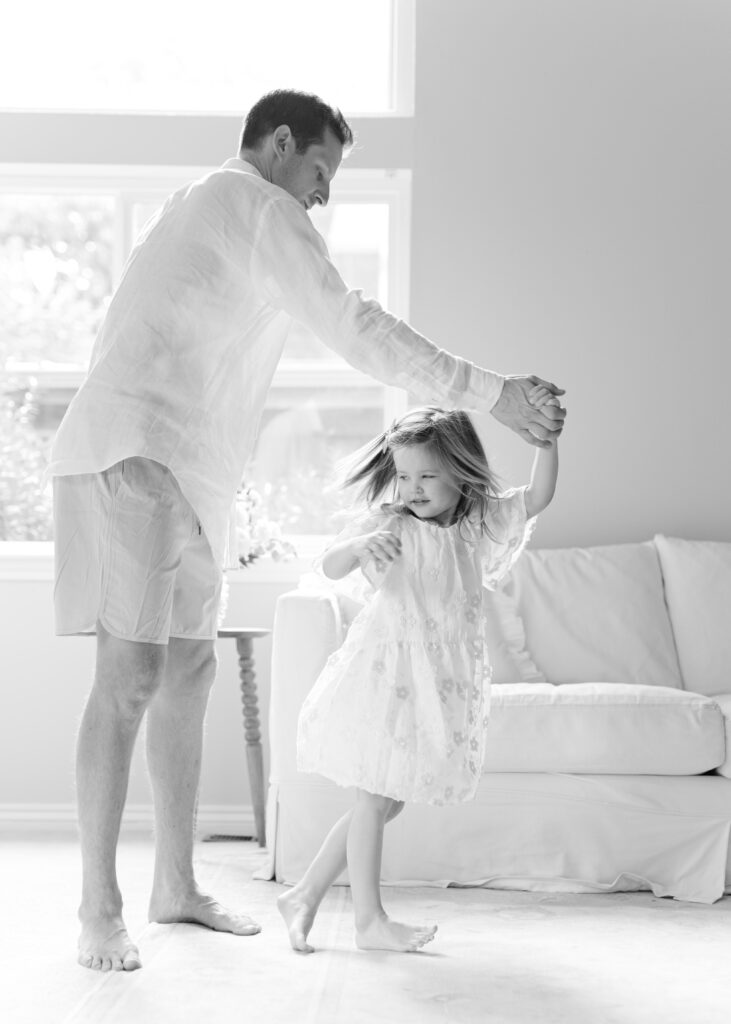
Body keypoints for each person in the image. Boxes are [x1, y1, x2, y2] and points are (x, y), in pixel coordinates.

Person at [48, 88, 565, 973]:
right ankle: (100, 906)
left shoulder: (217, 210)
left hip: (191, 470)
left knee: (190, 668)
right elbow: (355, 326)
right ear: (281, 144)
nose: (323, 192)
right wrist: (494, 397)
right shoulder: (251, 202)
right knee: (129, 674)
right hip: (134, 451)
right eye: (321, 169)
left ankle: (177, 883)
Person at [280, 401, 560, 953]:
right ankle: (369, 922)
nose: (413, 487)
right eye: (404, 475)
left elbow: (537, 498)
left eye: (427, 475)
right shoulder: (391, 524)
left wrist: (547, 444)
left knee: (385, 803)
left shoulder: (476, 523)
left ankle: (305, 893)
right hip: (386, 677)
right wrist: (358, 548)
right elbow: (331, 565)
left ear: (461, 470)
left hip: (435, 682)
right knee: (373, 799)